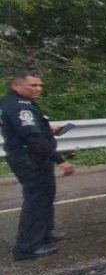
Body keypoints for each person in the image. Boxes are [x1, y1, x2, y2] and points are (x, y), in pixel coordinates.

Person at [1, 72, 75, 261]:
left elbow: (27, 129)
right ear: (16, 86)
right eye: (33, 86)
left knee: (46, 194)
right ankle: (26, 247)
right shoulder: (19, 107)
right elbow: (32, 139)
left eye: (39, 85)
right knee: (35, 199)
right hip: (29, 158)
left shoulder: (21, 104)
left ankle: (44, 234)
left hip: (37, 157)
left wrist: (47, 129)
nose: (38, 89)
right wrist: (61, 160)